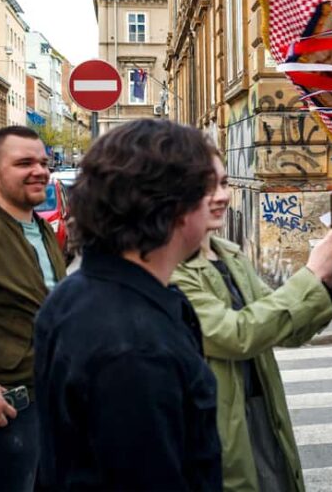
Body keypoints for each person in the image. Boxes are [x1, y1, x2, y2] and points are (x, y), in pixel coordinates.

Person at [33, 119, 222, 490]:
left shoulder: (77, 293)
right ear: (175, 207)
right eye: (208, 189)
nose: (219, 199)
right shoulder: (135, 345)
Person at [171, 152, 332, 492]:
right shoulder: (171, 268)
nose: (223, 195)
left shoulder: (228, 252)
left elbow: (281, 328)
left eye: (224, 183)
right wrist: (312, 275)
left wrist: (326, 280)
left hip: (261, 410)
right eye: (207, 186)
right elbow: (235, 334)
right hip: (219, 422)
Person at [0, 126, 67, 492]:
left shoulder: (41, 229)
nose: (40, 171)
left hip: (46, 400)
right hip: (1, 411)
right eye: (24, 163)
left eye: (43, 163)